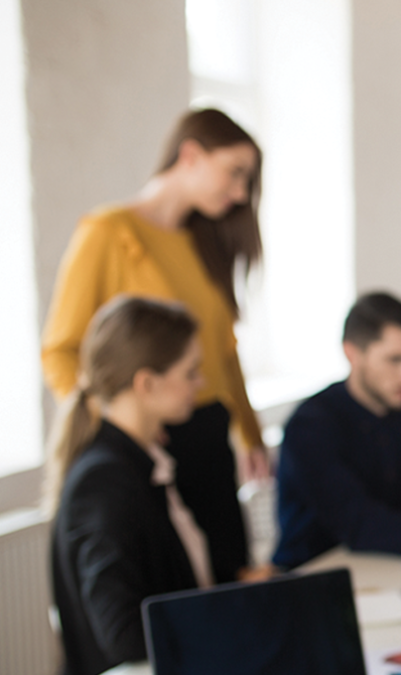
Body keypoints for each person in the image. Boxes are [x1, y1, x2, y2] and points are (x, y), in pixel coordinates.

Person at [41, 108, 268, 584]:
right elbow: (60, 350)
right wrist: (113, 427)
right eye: (234, 173)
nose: (241, 192)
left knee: (230, 578)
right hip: (148, 439)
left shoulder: (205, 241)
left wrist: (249, 430)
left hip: (207, 431)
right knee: (162, 591)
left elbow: (224, 352)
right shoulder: (108, 232)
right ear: (190, 155)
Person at [48, 296, 209, 675]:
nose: (200, 384)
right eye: (190, 372)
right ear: (147, 384)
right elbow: (125, 636)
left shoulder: (139, 462)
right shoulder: (104, 482)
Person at [272, 292, 401, 569]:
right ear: (352, 354)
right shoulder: (310, 427)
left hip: (391, 566)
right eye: (395, 360)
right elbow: (361, 525)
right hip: (313, 573)